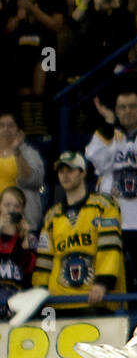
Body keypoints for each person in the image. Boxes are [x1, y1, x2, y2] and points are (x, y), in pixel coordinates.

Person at [84, 87, 137, 292]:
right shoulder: (108, 136)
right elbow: (95, 158)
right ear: (116, 110)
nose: (128, 111)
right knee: (115, 282)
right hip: (111, 224)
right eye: (122, 107)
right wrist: (107, 124)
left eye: (132, 106)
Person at [32, 151, 125, 311]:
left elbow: (109, 248)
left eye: (70, 170)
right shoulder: (52, 216)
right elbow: (44, 259)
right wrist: (40, 292)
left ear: (83, 173)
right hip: (59, 302)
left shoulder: (104, 206)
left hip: (95, 300)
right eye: (61, 171)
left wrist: (103, 283)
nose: (65, 175)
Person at [0, 109, 44, 232]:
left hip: (22, 223)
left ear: (20, 131)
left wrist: (16, 151)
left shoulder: (29, 154)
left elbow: (33, 181)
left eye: (11, 125)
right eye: (1, 125)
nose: (5, 129)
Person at [0, 184, 35, 319]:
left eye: (16, 206)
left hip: (16, 309)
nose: (11, 210)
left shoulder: (28, 238)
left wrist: (25, 238)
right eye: (7, 205)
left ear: (22, 211)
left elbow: (28, 272)